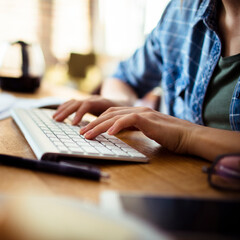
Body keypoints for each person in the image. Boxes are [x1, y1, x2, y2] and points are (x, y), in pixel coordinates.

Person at [53, 0, 240, 162]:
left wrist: (185, 136)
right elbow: (123, 77)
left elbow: (184, 135)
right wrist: (122, 104)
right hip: (174, 180)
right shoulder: (182, 11)